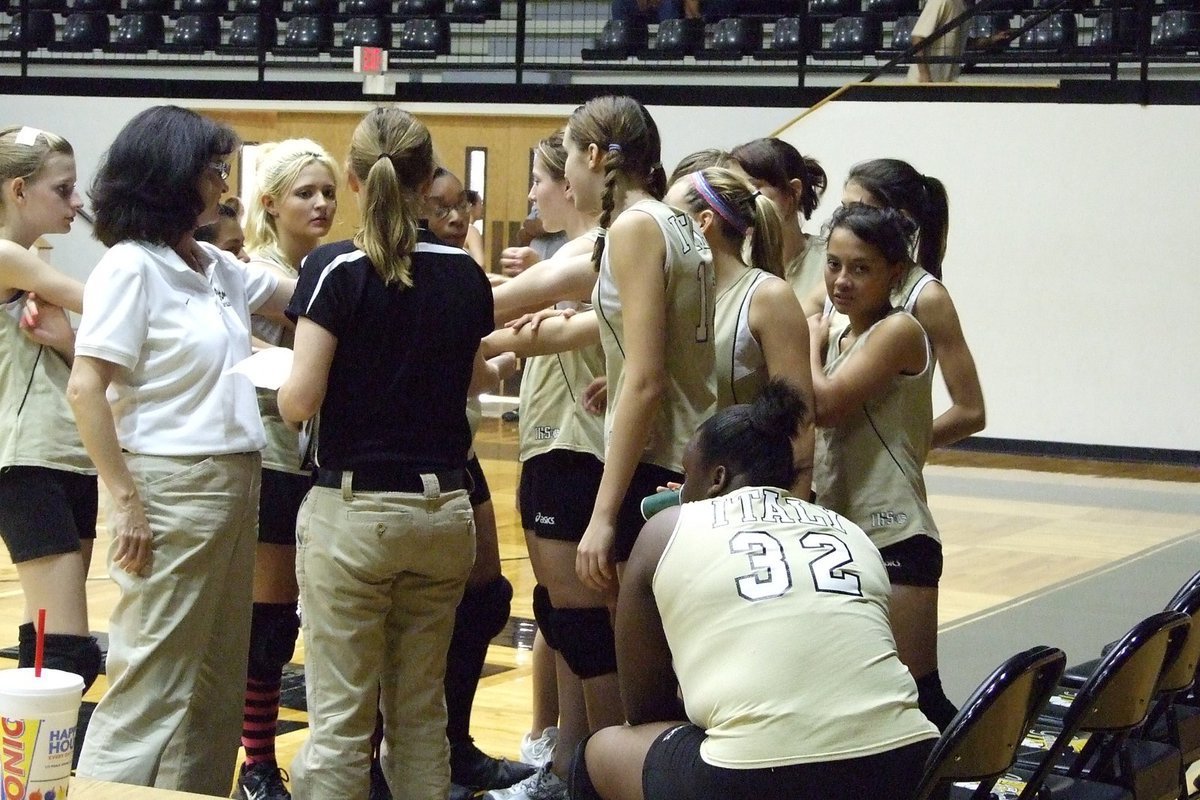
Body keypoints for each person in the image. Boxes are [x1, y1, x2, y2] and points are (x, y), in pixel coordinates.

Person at [481, 95, 716, 798]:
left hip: (656, 474)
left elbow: (646, 380)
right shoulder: (678, 222)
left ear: (591, 157)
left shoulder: (637, 227)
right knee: (653, 658)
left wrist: (606, 512)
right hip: (687, 461)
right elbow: (654, 359)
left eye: (563, 157)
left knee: (627, 661)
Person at [67, 106, 294, 796]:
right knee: (153, 683)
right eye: (212, 169)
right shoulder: (131, 268)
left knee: (213, 687)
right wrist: (127, 502)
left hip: (235, 480)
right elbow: (85, 389)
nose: (222, 184)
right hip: (171, 486)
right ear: (171, 176)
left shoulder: (213, 265)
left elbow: (311, 298)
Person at [572, 381, 940, 800]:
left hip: (755, 778)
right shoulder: (850, 531)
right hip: (911, 768)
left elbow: (644, 712)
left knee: (598, 752)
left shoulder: (664, 530)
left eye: (686, 475)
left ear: (717, 478)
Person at [277, 107, 494, 800]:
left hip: (356, 509)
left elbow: (299, 401)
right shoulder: (464, 272)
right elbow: (466, 375)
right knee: (419, 714)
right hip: (443, 511)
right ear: (430, 178)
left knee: (342, 723)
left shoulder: (333, 267)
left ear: (351, 177)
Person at [488, 132, 612, 800]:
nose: (534, 192)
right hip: (546, 440)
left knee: (585, 624)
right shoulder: (569, 254)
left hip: (578, 445)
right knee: (560, 616)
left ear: (573, 178)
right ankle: (566, 762)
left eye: (542, 178)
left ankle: (594, 768)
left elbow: (511, 314)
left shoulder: (600, 250)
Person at [808, 202, 954, 730]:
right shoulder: (840, 337)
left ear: (895, 272)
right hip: (840, 536)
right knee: (856, 702)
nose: (841, 281)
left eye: (860, 267)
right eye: (833, 264)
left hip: (895, 537)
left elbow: (824, 406)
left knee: (916, 700)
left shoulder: (898, 332)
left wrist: (806, 341)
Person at [422, 166, 538, 799]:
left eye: (462, 206)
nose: (457, 218)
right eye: (441, 208)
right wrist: (533, 341)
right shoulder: (422, 270)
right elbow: (472, 373)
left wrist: (517, 348)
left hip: (456, 449)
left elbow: (474, 366)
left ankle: (452, 744)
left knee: (487, 595)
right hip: (412, 456)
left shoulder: (458, 271)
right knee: (416, 612)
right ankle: (406, 746)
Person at [232, 138, 339, 800]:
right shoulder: (255, 273)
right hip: (268, 460)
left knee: (313, 618)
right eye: (306, 192)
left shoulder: (330, 267)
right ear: (269, 204)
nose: (322, 202)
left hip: (316, 464)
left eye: (329, 191)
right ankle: (258, 763)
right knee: (268, 624)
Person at [0, 125, 101, 690]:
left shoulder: (30, 259)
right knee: (66, 655)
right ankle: (30, 779)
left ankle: (27, 779)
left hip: (67, 458)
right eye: (63, 190)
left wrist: (66, 340)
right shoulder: (7, 255)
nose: (77, 202)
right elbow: (106, 304)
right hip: (27, 463)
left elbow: (76, 344)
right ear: (19, 190)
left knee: (43, 651)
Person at [662, 165, 814, 495]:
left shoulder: (768, 296)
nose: (658, 229)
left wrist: (795, 509)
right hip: (679, 486)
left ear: (703, 222)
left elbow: (799, 422)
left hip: (746, 498)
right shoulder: (678, 295)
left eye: (669, 218)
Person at [841, 157, 985, 447]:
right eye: (843, 210)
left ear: (900, 220)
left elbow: (971, 411)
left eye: (858, 210)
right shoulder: (836, 281)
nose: (845, 222)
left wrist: (904, 449)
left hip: (886, 486)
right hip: (832, 472)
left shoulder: (927, 297)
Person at [730, 137, 828, 315]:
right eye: (734, 189)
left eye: (753, 188)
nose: (739, 200)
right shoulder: (732, 256)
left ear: (794, 191)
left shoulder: (828, 261)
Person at [908, 0, 967, 82]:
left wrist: (987, 41)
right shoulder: (939, 1)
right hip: (925, 82)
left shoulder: (963, 5)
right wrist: (925, 76)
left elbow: (956, 39)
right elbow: (917, 37)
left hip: (944, 82)